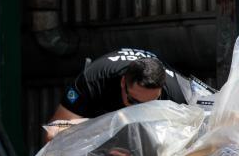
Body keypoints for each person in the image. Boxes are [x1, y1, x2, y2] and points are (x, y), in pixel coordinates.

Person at [46, 48, 189, 140]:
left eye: (151, 104)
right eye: (134, 102)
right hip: (98, 128)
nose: (140, 110)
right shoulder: (95, 80)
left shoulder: (176, 91)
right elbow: (53, 133)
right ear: (122, 83)